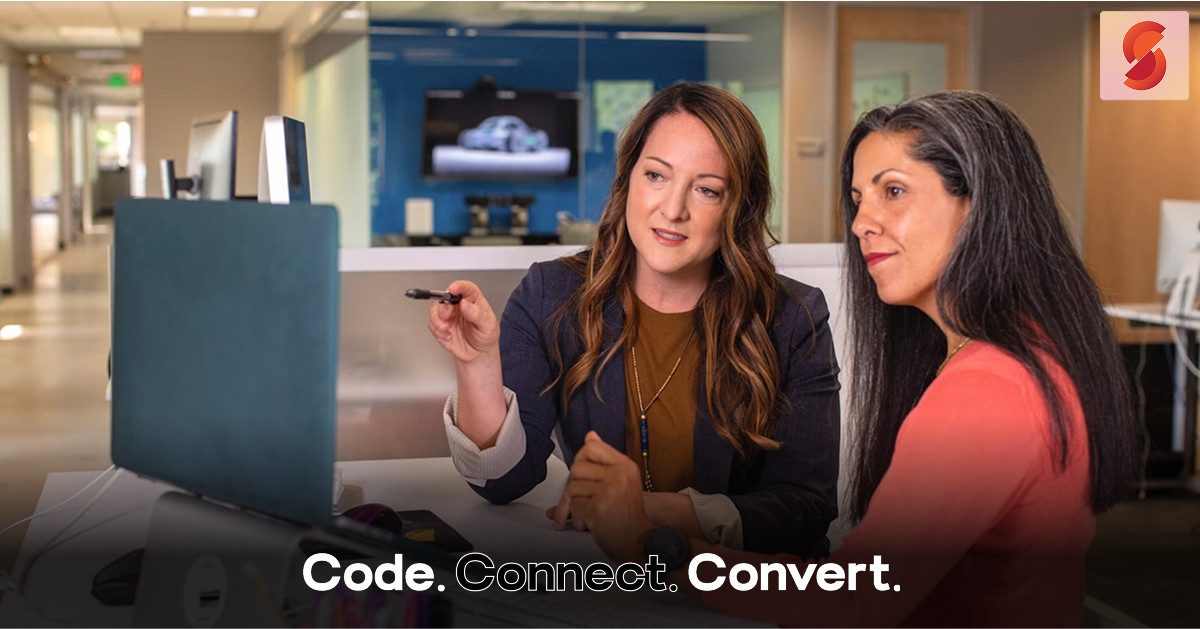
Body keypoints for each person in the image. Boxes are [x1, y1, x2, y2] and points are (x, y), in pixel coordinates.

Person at [565, 91, 1140, 628]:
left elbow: (857, 597)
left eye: (894, 191)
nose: (862, 222)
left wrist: (651, 548)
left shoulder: (986, 393)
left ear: (978, 205)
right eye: (860, 199)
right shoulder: (1033, 350)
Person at [426, 83, 841, 556]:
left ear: (737, 208)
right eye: (656, 176)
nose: (672, 209)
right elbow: (502, 482)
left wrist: (645, 509)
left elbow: (804, 510)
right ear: (628, 180)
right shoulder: (552, 295)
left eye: (706, 190)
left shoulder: (793, 318)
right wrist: (478, 363)